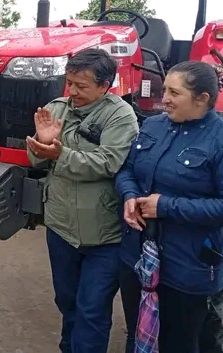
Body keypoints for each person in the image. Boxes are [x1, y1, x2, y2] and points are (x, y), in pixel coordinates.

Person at [25, 48, 139, 353]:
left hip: (104, 236)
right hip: (61, 228)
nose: (72, 91)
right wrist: (41, 146)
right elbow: (35, 160)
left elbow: (107, 162)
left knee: (92, 309)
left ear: (104, 86)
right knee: (67, 301)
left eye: (81, 85)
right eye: (69, 82)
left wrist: (60, 154)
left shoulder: (120, 116)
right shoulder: (56, 108)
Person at [116, 61, 223, 352]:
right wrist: (129, 195)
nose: (164, 98)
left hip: (188, 268)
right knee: (136, 333)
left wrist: (166, 206)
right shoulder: (153, 125)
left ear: (202, 98)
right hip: (138, 256)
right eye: (165, 89)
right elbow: (126, 171)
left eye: (174, 92)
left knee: (177, 343)